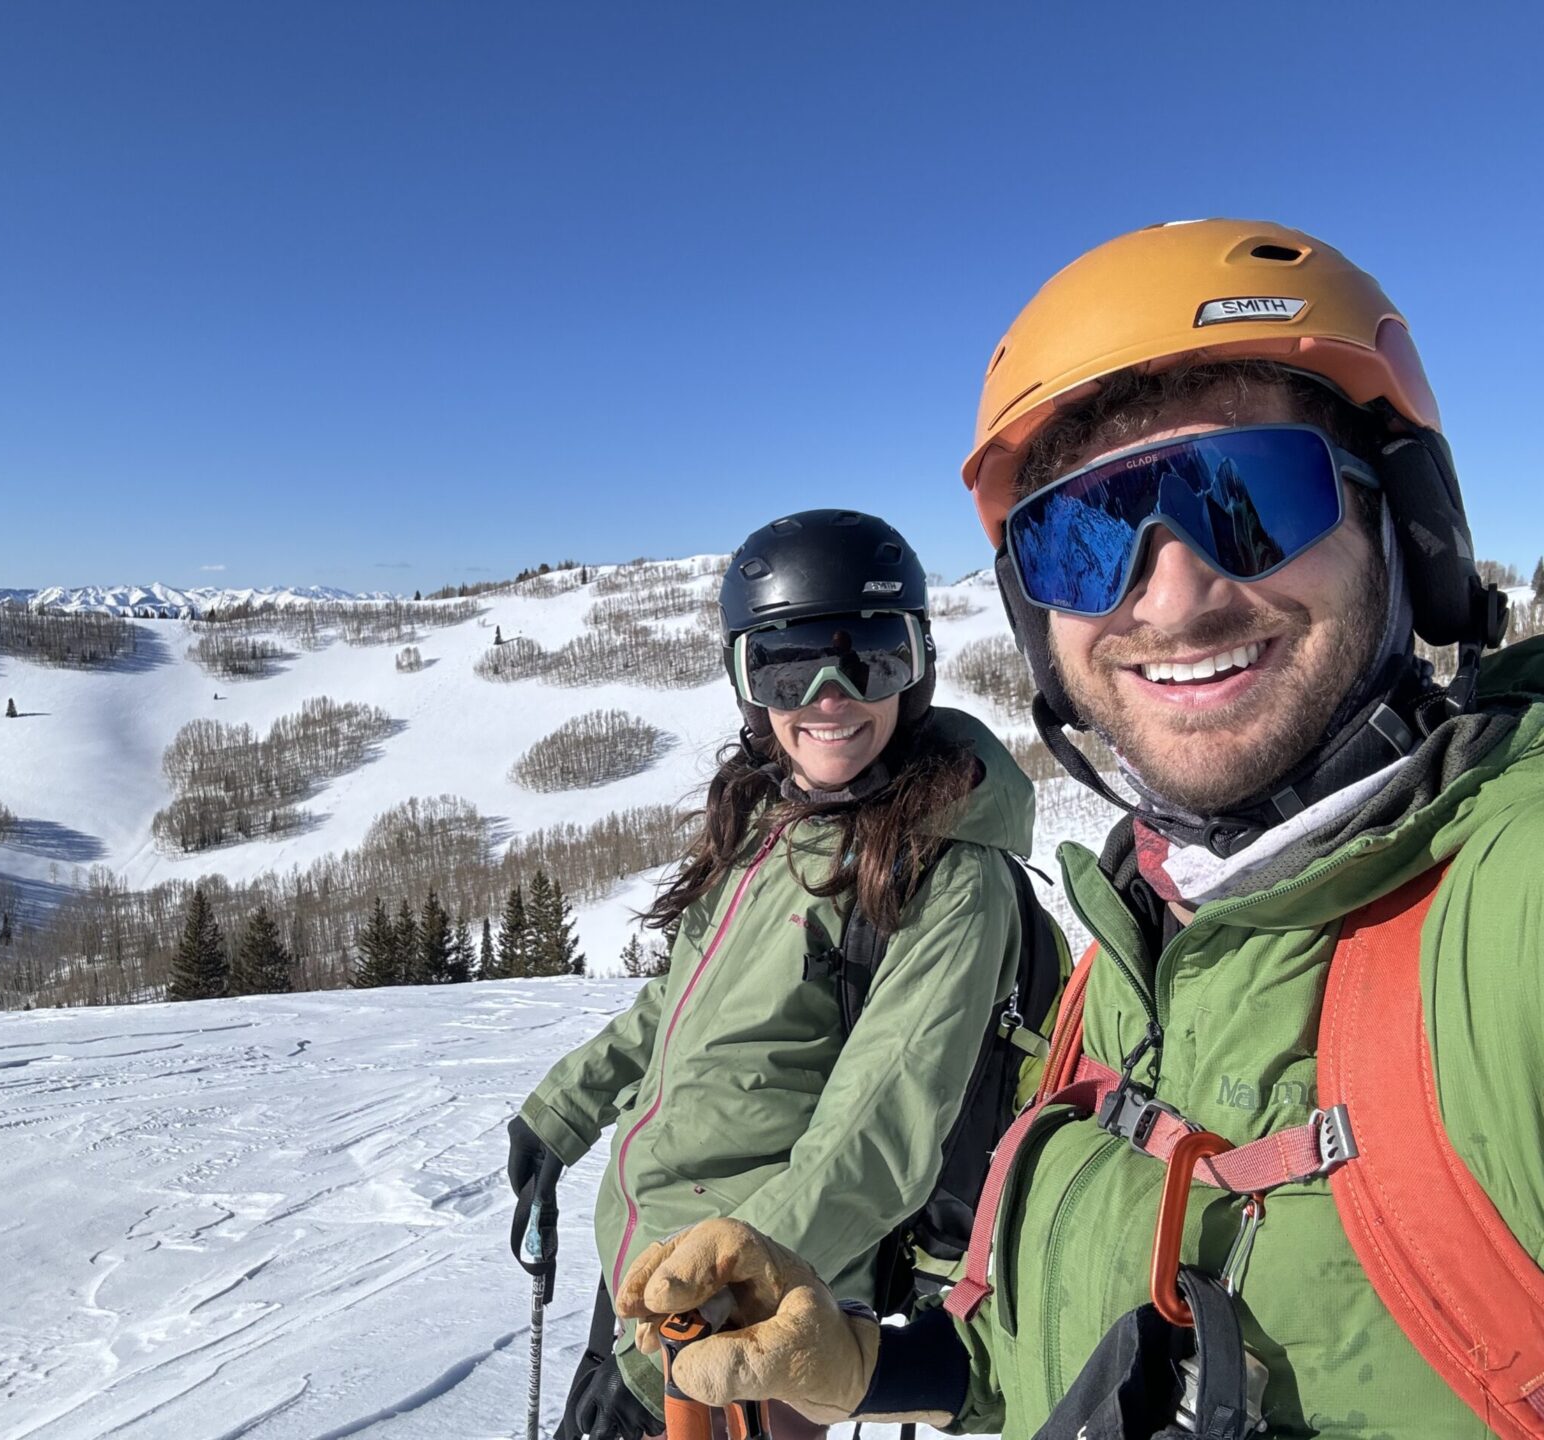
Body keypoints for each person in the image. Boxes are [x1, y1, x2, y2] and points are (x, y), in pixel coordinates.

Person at [614, 219, 1542, 1438]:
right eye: (1087, 536)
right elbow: (1058, 1345)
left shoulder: (1505, 916)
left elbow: (879, 1122)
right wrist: (871, 1366)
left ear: (1406, 525)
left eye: (1254, 496)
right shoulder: (1125, 969)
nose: (1174, 594)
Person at [506, 510, 1040, 1439]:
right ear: (748, 685)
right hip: (652, 1261)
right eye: (789, 668)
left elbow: (878, 1137)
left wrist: (697, 1329)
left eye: (871, 660)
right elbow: (678, 1001)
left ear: (917, 669)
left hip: (752, 1316)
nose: (829, 699)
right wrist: (564, 1111)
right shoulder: (770, 818)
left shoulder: (947, 873)